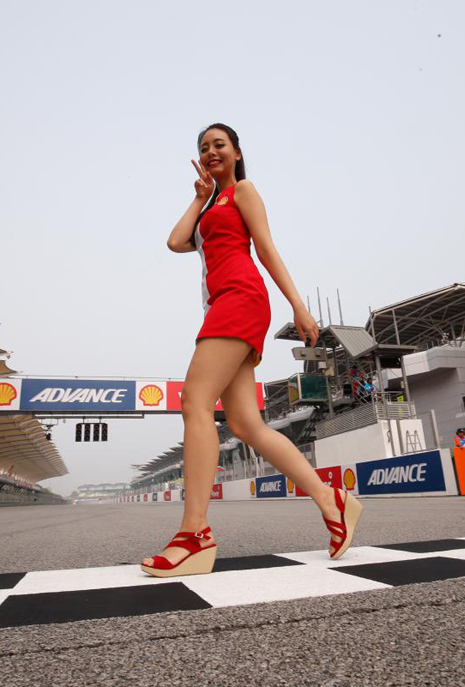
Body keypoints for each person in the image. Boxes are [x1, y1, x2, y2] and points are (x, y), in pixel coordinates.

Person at [144, 123, 362, 577]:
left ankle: (194, 534)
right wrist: (199, 196)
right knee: (246, 424)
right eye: (203, 148)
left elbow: (266, 249)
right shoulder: (209, 206)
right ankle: (333, 500)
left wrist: (300, 307)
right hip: (223, 305)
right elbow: (175, 242)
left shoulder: (244, 191)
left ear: (238, 152)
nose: (210, 152)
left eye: (218, 145)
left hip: (241, 299)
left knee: (195, 402)